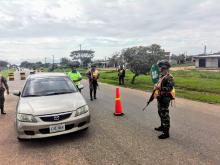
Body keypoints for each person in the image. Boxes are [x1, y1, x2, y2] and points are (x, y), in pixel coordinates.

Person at [154, 60, 175, 139]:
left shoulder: (169, 77)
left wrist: (159, 87)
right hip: (160, 97)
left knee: (165, 114)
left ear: (164, 67)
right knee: (160, 112)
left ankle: (166, 133)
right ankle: (162, 126)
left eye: (160, 67)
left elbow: (169, 88)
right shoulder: (162, 76)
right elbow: (159, 84)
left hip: (165, 98)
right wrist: (156, 87)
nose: (159, 68)